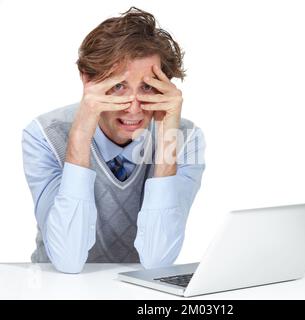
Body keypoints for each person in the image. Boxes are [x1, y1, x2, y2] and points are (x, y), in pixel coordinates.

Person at [22, 7, 206, 274]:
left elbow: (157, 261)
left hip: (136, 292)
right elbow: (68, 261)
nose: (133, 109)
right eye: (118, 86)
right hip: (56, 290)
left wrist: (167, 139)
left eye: (148, 87)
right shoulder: (45, 134)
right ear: (87, 79)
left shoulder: (186, 138)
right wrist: (80, 136)